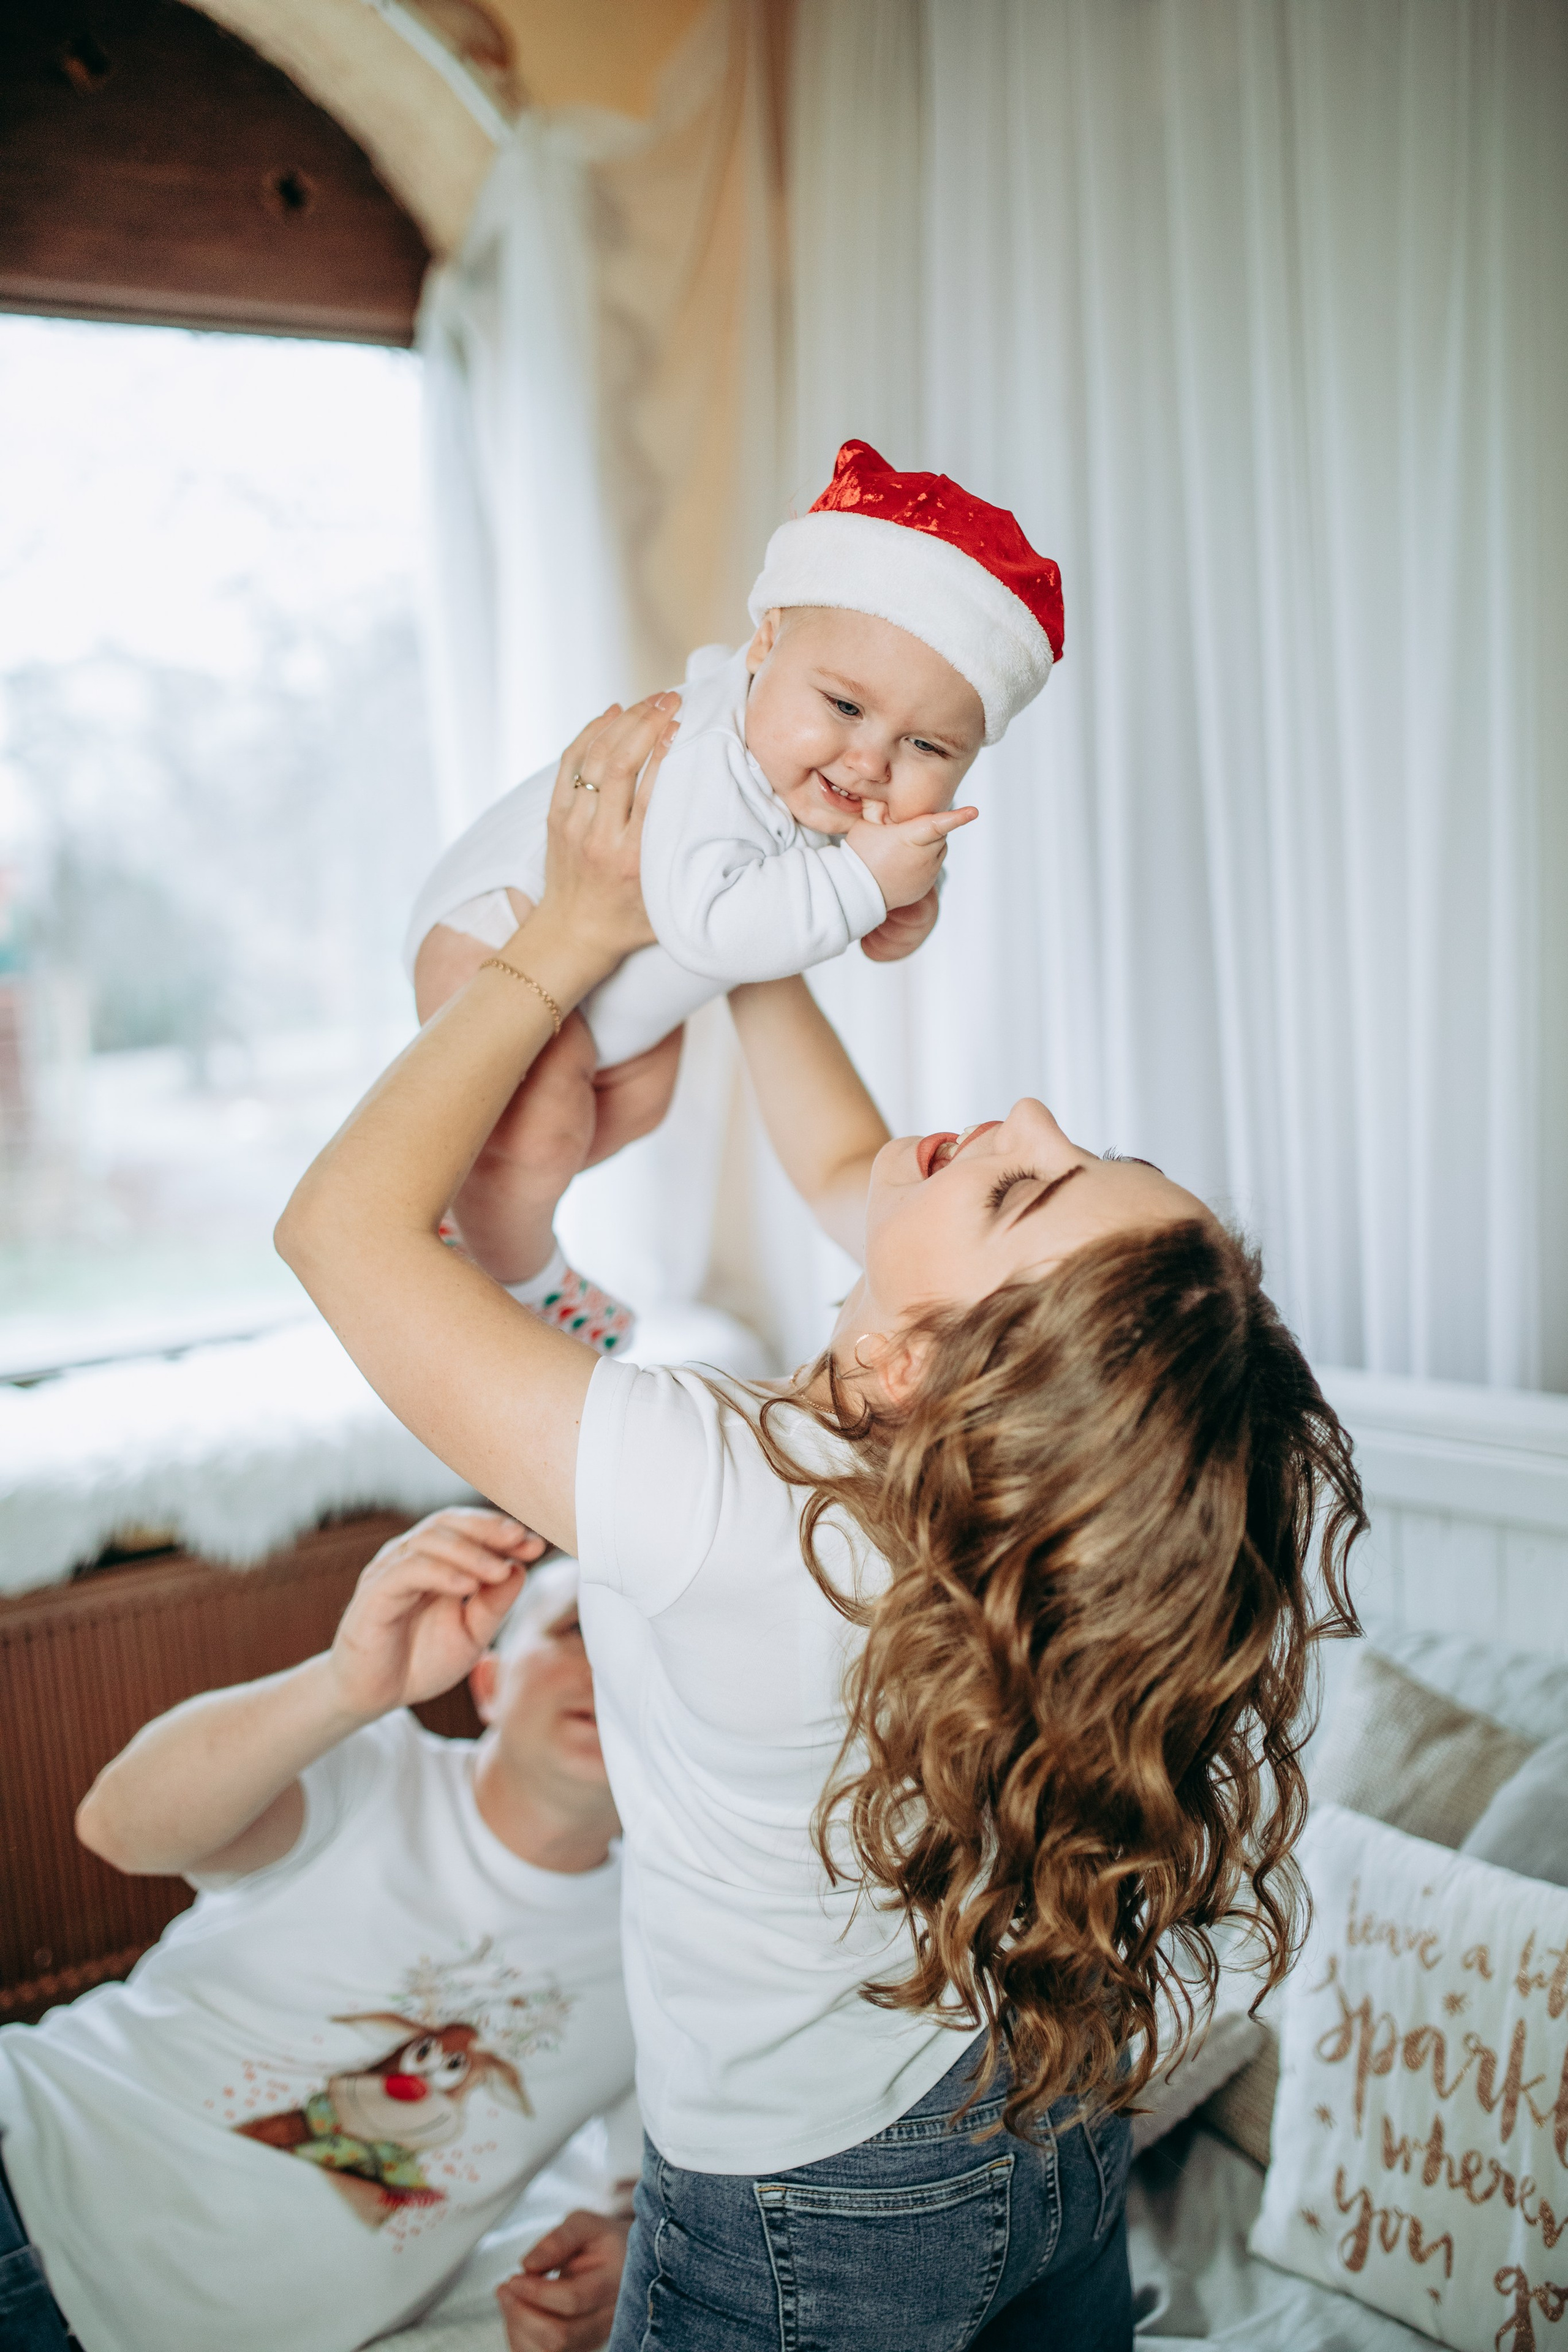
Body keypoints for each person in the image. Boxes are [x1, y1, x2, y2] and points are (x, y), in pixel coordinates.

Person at [276, 696, 1364, 2350]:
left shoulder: (713, 1501)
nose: (1029, 1120)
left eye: (1026, 1184)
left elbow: (342, 1228)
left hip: (815, 2200)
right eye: (1081, 1151)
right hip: (1037, 2094)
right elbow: (857, 1158)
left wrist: (569, 935)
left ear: (913, 1362)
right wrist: (739, 907)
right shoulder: (1011, 1530)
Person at [403, 439, 1063, 1301]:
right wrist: (862, 886)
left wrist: (901, 906)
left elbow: (835, 905)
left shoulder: (809, 787)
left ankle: (486, 1193)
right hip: (494, 933)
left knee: (633, 1105)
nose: (869, 761)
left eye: (927, 746)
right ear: (767, 641)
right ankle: (526, 1286)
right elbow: (711, 926)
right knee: (541, 1134)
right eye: (844, 706)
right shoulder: (709, 755)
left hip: (609, 1008)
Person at [0, 1511, 638, 2352]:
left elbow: (664, 2192)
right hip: (26, 2159)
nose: (609, 1669)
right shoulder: (380, 1767)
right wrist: (346, 1685)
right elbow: (120, 1827)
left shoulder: (671, 1938)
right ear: (488, 1683)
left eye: (645, 1655)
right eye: (578, 1630)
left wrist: (625, 2256)